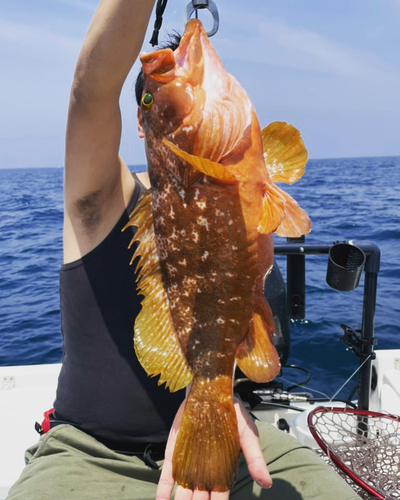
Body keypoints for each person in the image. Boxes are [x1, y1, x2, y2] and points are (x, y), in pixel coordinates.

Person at [7, 1, 361, 499]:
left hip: (230, 431)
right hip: (90, 452)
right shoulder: (100, 199)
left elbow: (247, 331)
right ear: (138, 122)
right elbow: (90, 94)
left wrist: (222, 402)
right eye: (155, 102)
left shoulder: (242, 194)